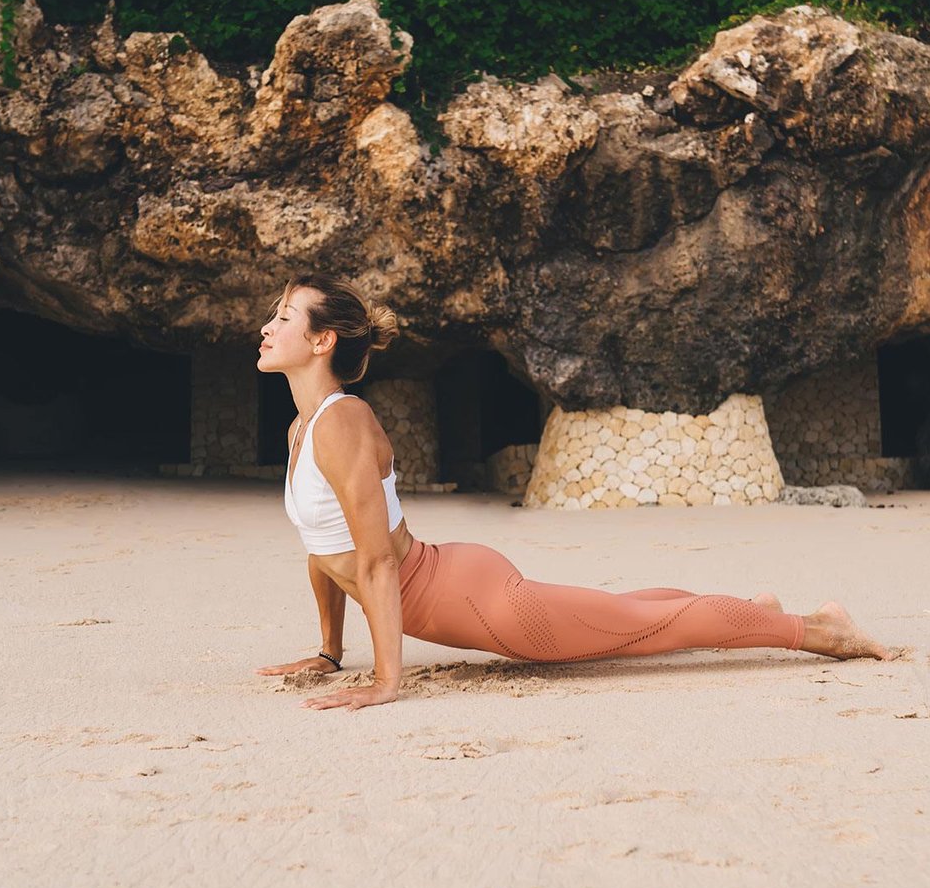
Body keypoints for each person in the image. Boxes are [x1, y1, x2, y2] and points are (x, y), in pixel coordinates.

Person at [254, 273, 890, 711]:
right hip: (455, 582)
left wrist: (386, 682)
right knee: (620, 613)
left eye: (283, 318)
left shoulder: (342, 422)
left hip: (476, 603)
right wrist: (329, 654)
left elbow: (375, 562)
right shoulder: (302, 427)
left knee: (642, 628)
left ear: (322, 341)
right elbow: (323, 551)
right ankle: (748, 608)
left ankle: (817, 629)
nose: (266, 327)